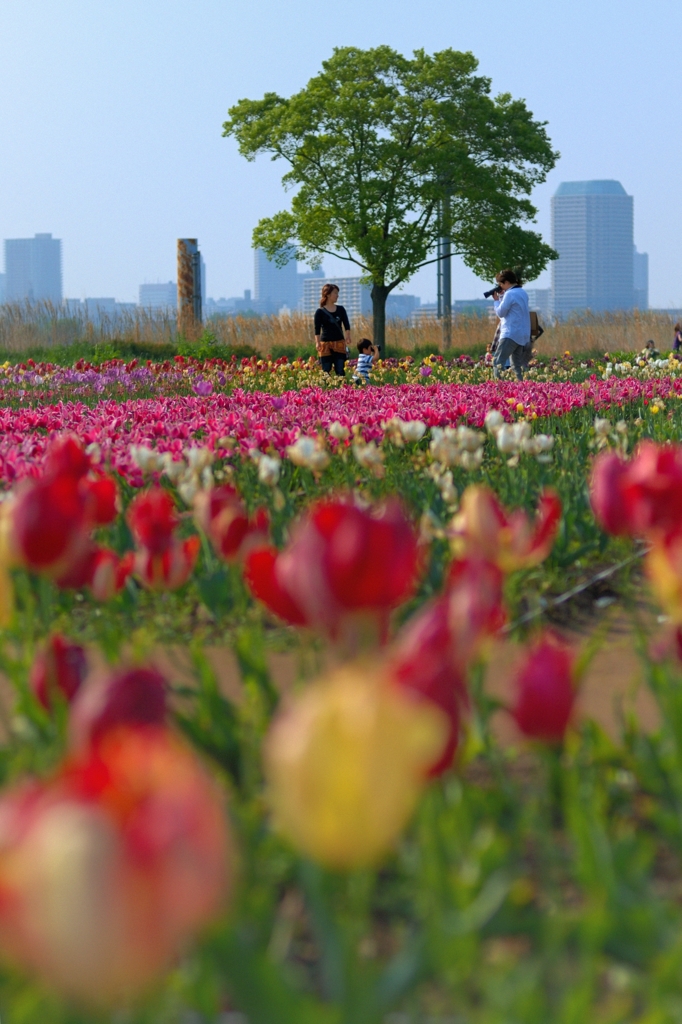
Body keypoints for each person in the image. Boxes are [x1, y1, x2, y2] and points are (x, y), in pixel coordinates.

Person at [491, 269, 530, 381]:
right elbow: (513, 309)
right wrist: (502, 297)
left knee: (498, 362)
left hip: (510, 334)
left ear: (507, 282)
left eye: (501, 284)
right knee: (516, 366)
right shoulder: (523, 292)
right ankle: (521, 387)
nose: (501, 287)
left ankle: (500, 387)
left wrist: (496, 301)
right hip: (522, 335)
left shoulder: (510, 294)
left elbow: (501, 313)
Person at [314, 284, 351, 376]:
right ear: (328, 294)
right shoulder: (320, 312)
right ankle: (326, 389)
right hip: (325, 344)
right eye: (335, 293)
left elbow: (346, 325)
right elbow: (317, 329)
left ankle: (343, 389)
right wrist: (317, 342)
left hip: (339, 343)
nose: (337, 296)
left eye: (337, 293)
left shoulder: (341, 309)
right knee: (326, 371)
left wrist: (348, 337)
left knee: (340, 370)